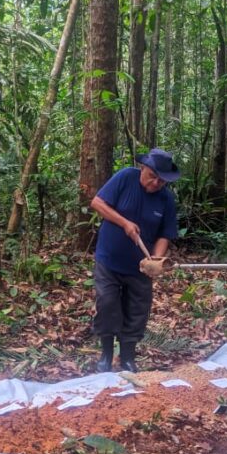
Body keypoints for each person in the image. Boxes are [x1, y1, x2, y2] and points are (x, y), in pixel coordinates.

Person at [89, 148, 180, 372]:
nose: (156, 182)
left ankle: (128, 358)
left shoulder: (166, 199)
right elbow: (98, 203)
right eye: (152, 176)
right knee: (108, 303)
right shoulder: (125, 177)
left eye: (162, 180)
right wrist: (124, 223)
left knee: (138, 309)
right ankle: (107, 356)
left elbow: (165, 234)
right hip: (109, 259)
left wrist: (157, 259)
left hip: (140, 267)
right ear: (143, 168)